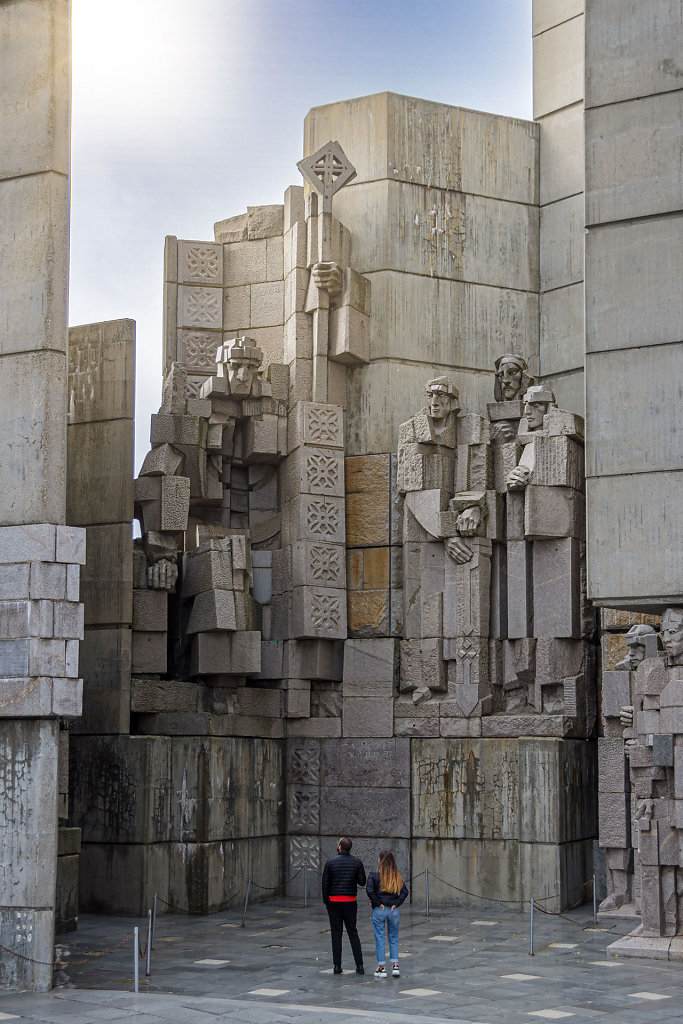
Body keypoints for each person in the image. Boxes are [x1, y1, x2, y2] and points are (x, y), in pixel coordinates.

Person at [321, 837, 366, 975]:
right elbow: (362, 881)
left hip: (334, 901)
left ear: (340, 847)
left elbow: (325, 884)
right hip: (350, 900)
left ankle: (337, 965)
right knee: (352, 932)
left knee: (336, 933)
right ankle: (359, 966)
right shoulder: (357, 862)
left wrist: (326, 901)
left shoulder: (330, 862)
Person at [366, 850, 409, 979]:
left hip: (380, 909)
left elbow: (369, 890)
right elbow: (405, 891)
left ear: (380, 861)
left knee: (380, 937)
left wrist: (377, 902)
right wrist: (397, 903)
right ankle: (395, 965)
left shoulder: (374, 875)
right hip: (393, 910)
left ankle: (382, 967)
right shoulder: (396, 876)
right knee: (393, 937)